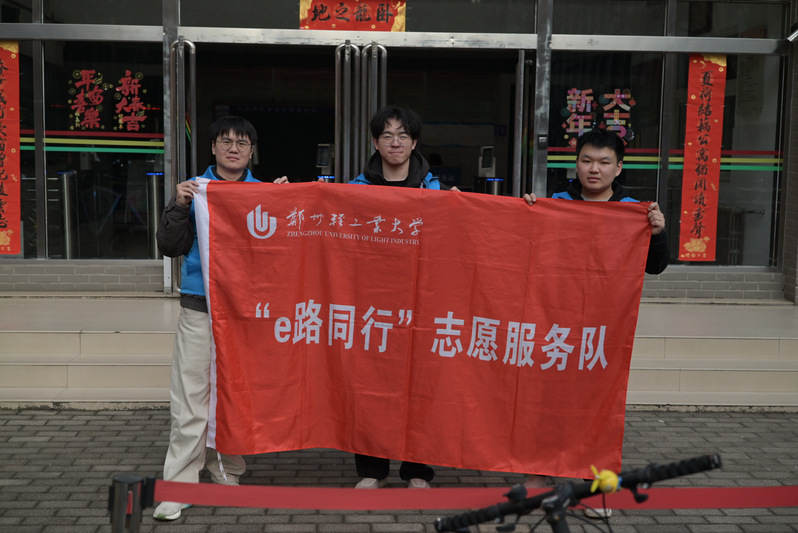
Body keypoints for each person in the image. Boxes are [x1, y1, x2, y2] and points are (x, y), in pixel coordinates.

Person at [522, 128, 669, 517]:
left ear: (618, 168)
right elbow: (524, 251)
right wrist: (527, 213)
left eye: (604, 162)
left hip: (603, 330)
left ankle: (592, 484)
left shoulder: (634, 211)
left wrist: (657, 233)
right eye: (586, 160)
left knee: (598, 407)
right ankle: (537, 474)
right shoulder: (556, 204)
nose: (594, 169)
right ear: (576, 164)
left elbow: (655, 267)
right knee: (546, 402)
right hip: (555, 322)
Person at [152, 115, 287, 521]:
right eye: (225, 141)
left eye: (242, 143)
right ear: (212, 148)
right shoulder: (195, 191)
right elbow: (169, 246)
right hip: (201, 308)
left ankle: (227, 467)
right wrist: (178, 206)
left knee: (234, 395)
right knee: (190, 399)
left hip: (246, 314)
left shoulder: (264, 194)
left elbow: (281, 255)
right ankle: (179, 486)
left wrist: (286, 201)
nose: (233, 149)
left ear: (251, 151)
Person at [348, 105, 457, 489]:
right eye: (387, 135)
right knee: (371, 387)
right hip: (371, 305)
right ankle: (372, 471)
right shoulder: (355, 190)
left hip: (422, 304)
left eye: (403, 135)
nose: (395, 142)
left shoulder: (437, 192)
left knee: (420, 389)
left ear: (414, 143)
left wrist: (461, 210)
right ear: (375, 142)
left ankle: (417, 471)